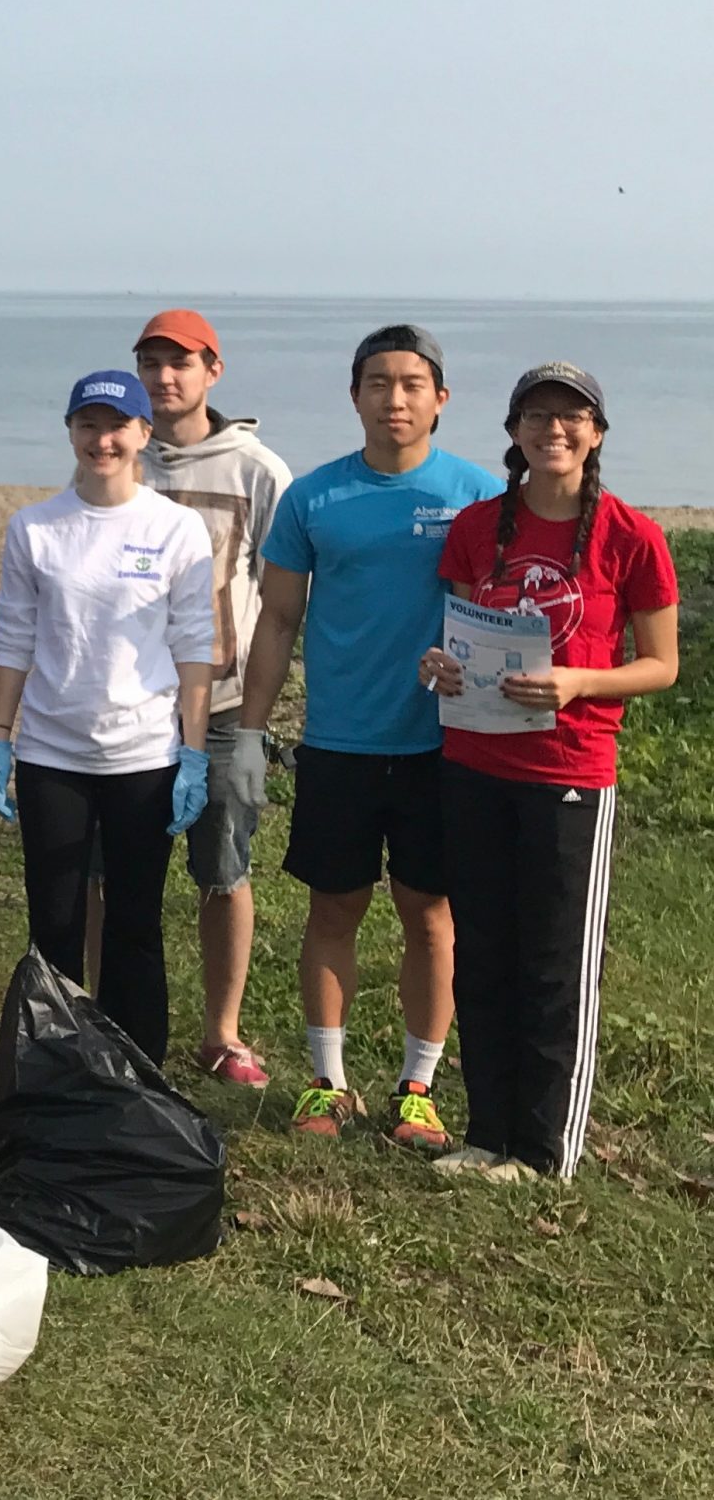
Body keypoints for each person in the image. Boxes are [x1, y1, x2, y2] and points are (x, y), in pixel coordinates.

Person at [237, 325, 503, 1151]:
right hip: (340, 742)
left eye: (413, 384)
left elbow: (503, 617)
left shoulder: (479, 497)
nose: (396, 399)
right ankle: (328, 1083)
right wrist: (248, 734)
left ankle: (417, 1088)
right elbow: (278, 619)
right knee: (334, 907)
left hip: (442, 746)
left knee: (430, 916)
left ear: (441, 399)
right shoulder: (314, 498)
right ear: (354, 395)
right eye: (379, 383)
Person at [420, 364, 677, 1181]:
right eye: (536, 415)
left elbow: (661, 665)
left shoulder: (631, 537)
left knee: (554, 963)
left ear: (595, 433)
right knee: (484, 952)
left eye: (571, 417)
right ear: (515, 430)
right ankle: (487, 1134)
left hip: (569, 769)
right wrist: (440, 667)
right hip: (473, 761)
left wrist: (579, 682)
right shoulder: (478, 527)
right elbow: (457, 638)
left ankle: (544, 1149)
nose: (552, 430)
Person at [0, 370, 215, 1066]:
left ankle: (137, 1067)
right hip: (51, 752)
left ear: (144, 433)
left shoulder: (176, 528)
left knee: (135, 922)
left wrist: (195, 753)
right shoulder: (35, 527)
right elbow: (14, 637)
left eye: (116, 426)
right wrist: (0, 737)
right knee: (54, 922)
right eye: (87, 425)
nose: (102, 439)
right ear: (71, 432)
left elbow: (194, 645)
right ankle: (55, 1063)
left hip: (144, 755)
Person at [126, 309, 292, 1085]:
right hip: (127, 706)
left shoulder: (256, 470)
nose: (165, 378)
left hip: (222, 708)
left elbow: (284, 598)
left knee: (222, 868)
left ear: (211, 371)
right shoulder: (122, 453)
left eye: (180, 363)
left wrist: (259, 719)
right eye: (152, 364)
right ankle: (103, 1016)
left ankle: (221, 1032)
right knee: (109, 870)